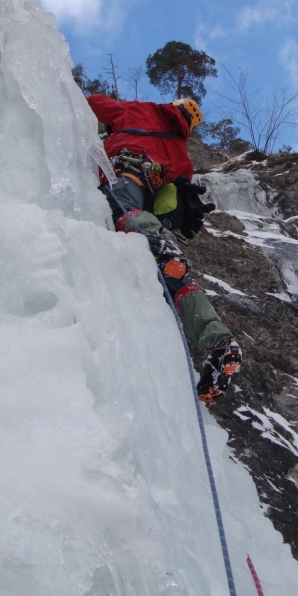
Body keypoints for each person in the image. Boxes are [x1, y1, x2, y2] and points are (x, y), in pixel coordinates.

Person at [87, 94, 242, 404]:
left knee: (125, 211)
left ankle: (160, 245)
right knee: (176, 282)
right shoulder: (180, 150)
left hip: (125, 171)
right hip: (152, 193)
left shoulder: (140, 109)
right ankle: (218, 340)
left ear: (175, 105)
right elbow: (181, 187)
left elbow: (89, 104)